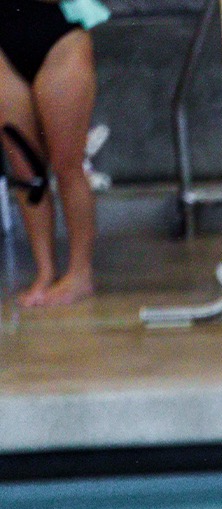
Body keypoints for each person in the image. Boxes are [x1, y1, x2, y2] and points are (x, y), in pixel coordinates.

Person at [1, 0, 101, 307]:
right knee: (26, 171)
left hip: (59, 39)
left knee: (67, 165)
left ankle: (80, 273)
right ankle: (44, 272)